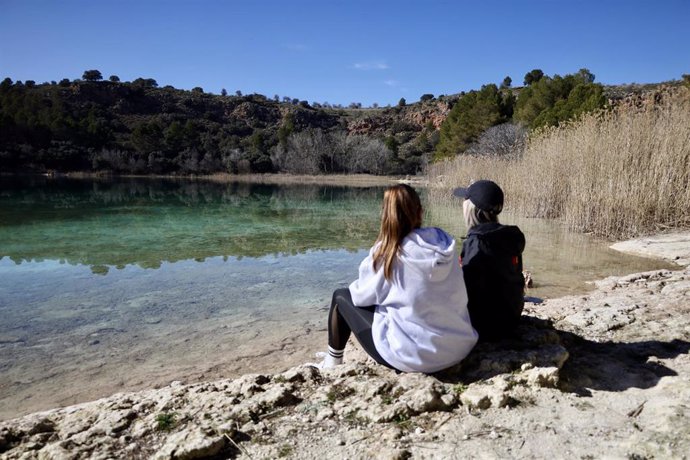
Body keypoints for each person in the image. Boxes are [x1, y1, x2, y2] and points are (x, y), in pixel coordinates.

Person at [310, 184, 478, 373]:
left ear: (385, 215)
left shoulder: (388, 253)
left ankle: (332, 362)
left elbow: (360, 296)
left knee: (340, 297)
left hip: (416, 358)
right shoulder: (443, 243)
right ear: (420, 211)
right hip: (458, 347)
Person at [452, 180, 526, 341]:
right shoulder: (509, 237)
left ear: (471, 209)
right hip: (512, 315)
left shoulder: (478, 241)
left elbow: (467, 288)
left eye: (465, 201)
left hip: (485, 324)